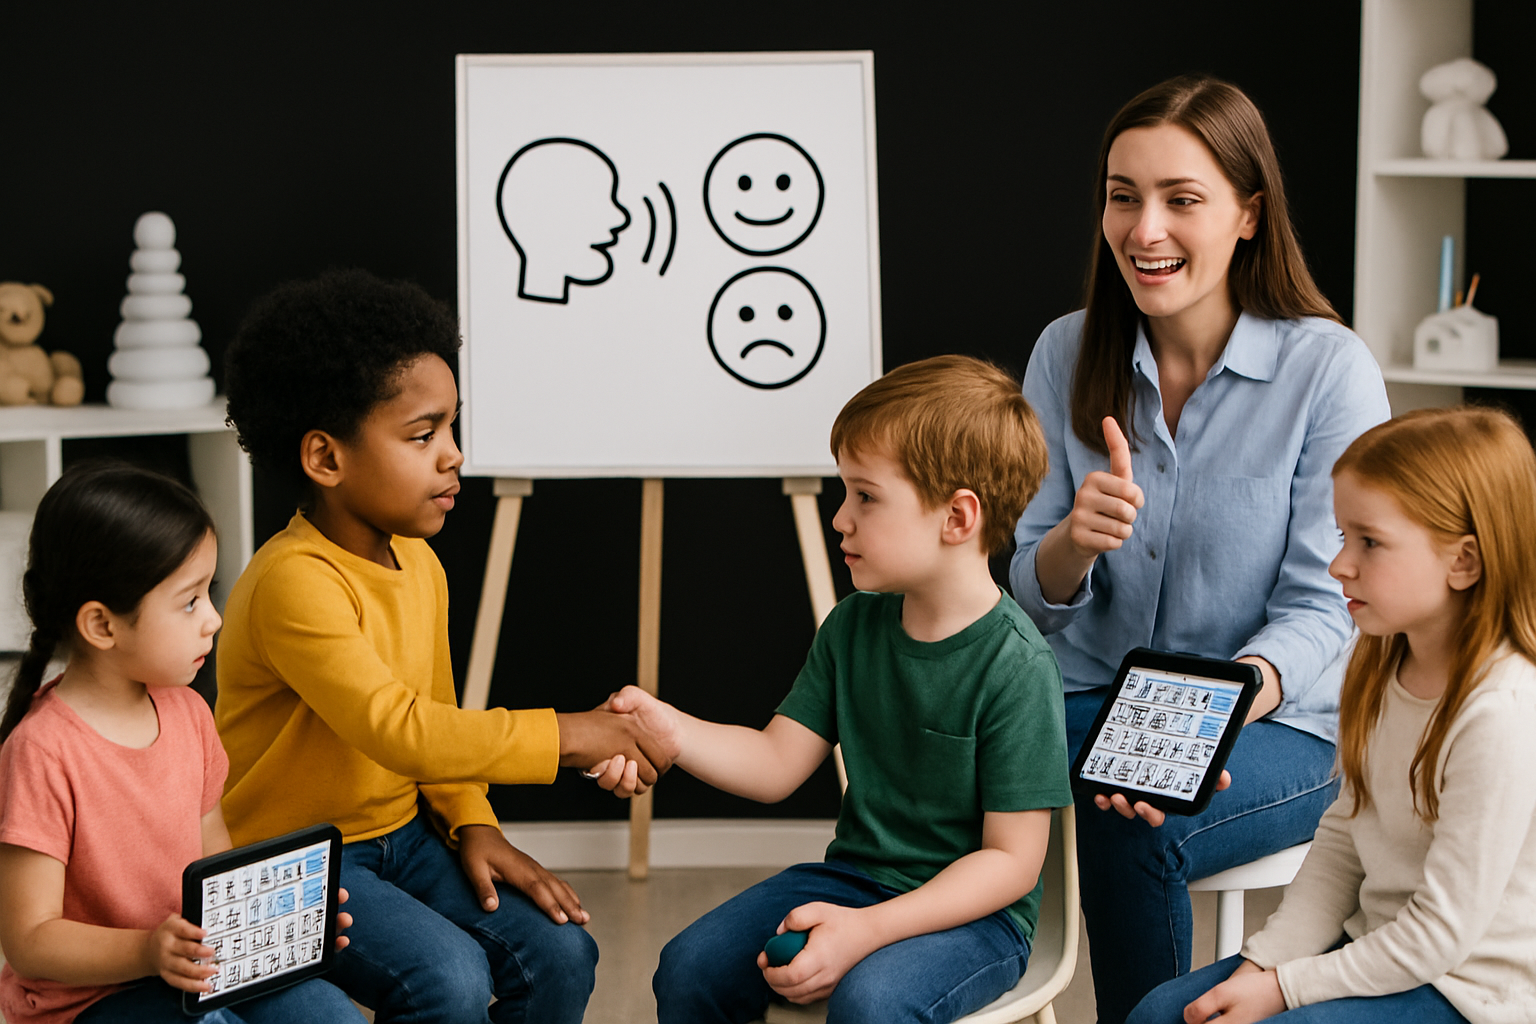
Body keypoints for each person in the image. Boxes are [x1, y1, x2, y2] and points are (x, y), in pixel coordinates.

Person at [1008, 75, 1391, 1022]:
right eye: (1123, 195)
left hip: (1278, 719)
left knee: (1130, 817)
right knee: (946, 764)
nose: (1146, 230)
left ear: (1249, 214)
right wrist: (1069, 543)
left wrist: (1213, 710)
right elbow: (1025, 586)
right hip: (1091, 692)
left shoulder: (1327, 371)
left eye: (1183, 200)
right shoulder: (1065, 351)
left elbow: (1327, 607)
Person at [215, 268, 672, 1024]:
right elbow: (399, 728)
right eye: (423, 435)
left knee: (561, 954)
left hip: (406, 836)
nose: (454, 454)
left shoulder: (418, 560)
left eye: (453, 428)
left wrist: (474, 823)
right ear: (326, 459)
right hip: (294, 859)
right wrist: (568, 735)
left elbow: (437, 715)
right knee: (449, 980)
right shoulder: (292, 583)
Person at [608, 355, 1072, 1024]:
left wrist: (869, 930)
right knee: (690, 966)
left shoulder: (1017, 667)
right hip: (853, 880)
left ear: (957, 517)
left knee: (870, 1003)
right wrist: (668, 728)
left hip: (977, 921)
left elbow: (1010, 864)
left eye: (866, 496)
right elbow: (774, 765)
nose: (840, 519)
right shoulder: (853, 626)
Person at [1127, 406, 1536, 1024]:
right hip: (1377, 942)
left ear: (1464, 562)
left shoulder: (1500, 713)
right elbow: (1345, 838)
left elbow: (1439, 936)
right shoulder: (1378, 664)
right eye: (1344, 536)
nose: (1340, 566)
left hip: (1467, 990)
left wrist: (1287, 989)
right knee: (1161, 1013)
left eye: (1369, 541)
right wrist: (1267, 964)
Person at [0, 463, 363, 1024]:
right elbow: (30, 939)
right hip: (90, 1000)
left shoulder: (189, 713)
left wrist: (271, 924)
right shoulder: (41, 751)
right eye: (189, 601)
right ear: (102, 625)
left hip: (196, 967)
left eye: (208, 594)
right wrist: (147, 951)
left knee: (331, 1017)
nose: (214, 620)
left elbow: (215, 861)